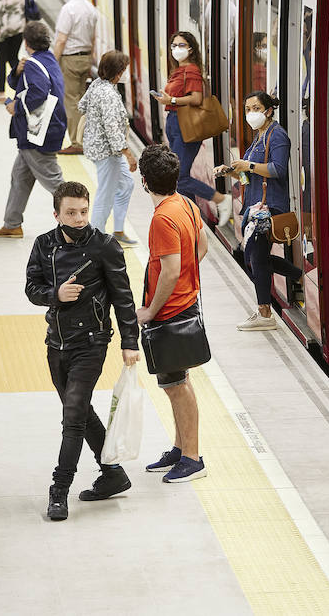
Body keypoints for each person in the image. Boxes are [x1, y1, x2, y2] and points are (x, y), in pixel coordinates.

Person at [24, 180, 141, 520]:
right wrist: (54, 295)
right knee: (81, 411)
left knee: (72, 418)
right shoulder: (44, 245)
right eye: (71, 213)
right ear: (57, 214)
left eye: (84, 212)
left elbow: (123, 297)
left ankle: (59, 490)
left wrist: (129, 341)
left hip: (92, 342)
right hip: (56, 343)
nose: (78, 218)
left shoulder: (105, 246)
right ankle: (113, 474)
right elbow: (31, 287)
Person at [137, 144, 211, 482]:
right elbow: (202, 248)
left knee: (177, 386)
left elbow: (169, 271)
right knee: (175, 382)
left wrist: (151, 309)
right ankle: (181, 448)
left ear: (144, 181)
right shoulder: (186, 204)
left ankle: (192, 458)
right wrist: (186, 280)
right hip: (186, 305)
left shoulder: (162, 218)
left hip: (170, 311)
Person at [214, 91, 303, 331]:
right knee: (256, 256)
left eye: (255, 108)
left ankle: (265, 312)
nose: (250, 113)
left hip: (269, 205)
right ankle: (298, 275)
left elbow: (278, 170)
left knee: (254, 255)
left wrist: (249, 165)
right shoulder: (259, 136)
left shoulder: (277, 136)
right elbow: (247, 175)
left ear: (268, 110)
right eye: (247, 109)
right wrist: (230, 171)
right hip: (256, 205)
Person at [0, 21, 67, 238]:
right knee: (20, 177)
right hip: (46, 130)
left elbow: (38, 92)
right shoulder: (48, 59)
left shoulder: (34, 64)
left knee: (56, 183)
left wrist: (17, 106)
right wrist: (16, 70)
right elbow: (21, 83)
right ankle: (12, 223)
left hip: (37, 134)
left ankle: (80, 223)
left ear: (26, 42)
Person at [148, 31, 231, 226]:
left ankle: (220, 199)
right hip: (175, 122)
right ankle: (191, 220)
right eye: (174, 45)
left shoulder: (191, 70)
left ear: (191, 48)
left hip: (186, 125)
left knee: (178, 177)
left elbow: (196, 98)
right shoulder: (178, 70)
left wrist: (172, 100)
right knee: (178, 177)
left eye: (181, 45)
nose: (177, 49)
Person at [79, 50, 137, 245]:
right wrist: (128, 154)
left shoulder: (98, 84)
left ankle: (118, 230)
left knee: (127, 185)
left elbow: (81, 106)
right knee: (106, 193)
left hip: (100, 148)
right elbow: (112, 129)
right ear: (118, 72)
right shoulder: (108, 94)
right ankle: (95, 237)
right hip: (107, 152)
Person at [53, 0, 99, 155]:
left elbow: (61, 39)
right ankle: (85, 139)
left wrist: (54, 62)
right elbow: (94, 38)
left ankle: (77, 143)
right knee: (81, 100)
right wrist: (91, 59)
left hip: (70, 59)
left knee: (71, 101)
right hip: (86, 57)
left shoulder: (68, 9)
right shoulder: (90, 8)